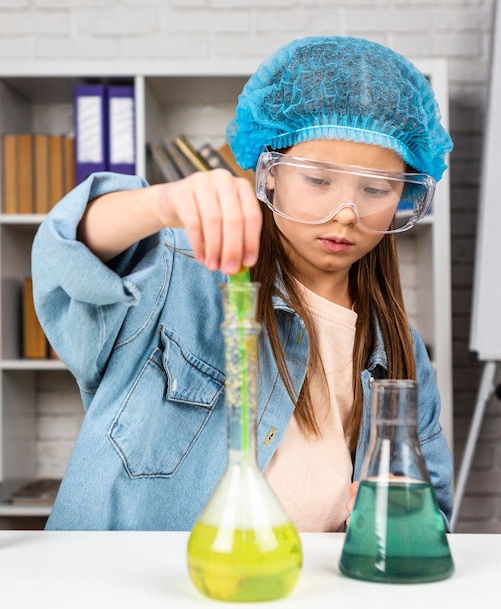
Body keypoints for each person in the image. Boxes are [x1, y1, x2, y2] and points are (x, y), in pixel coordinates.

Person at [32, 35, 455, 532]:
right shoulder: (177, 273)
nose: (346, 214)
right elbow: (65, 258)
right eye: (318, 180)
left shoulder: (400, 350)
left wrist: (400, 520)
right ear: (270, 172)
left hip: (298, 599)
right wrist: (162, 205)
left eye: (376, 189)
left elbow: (432, 518)